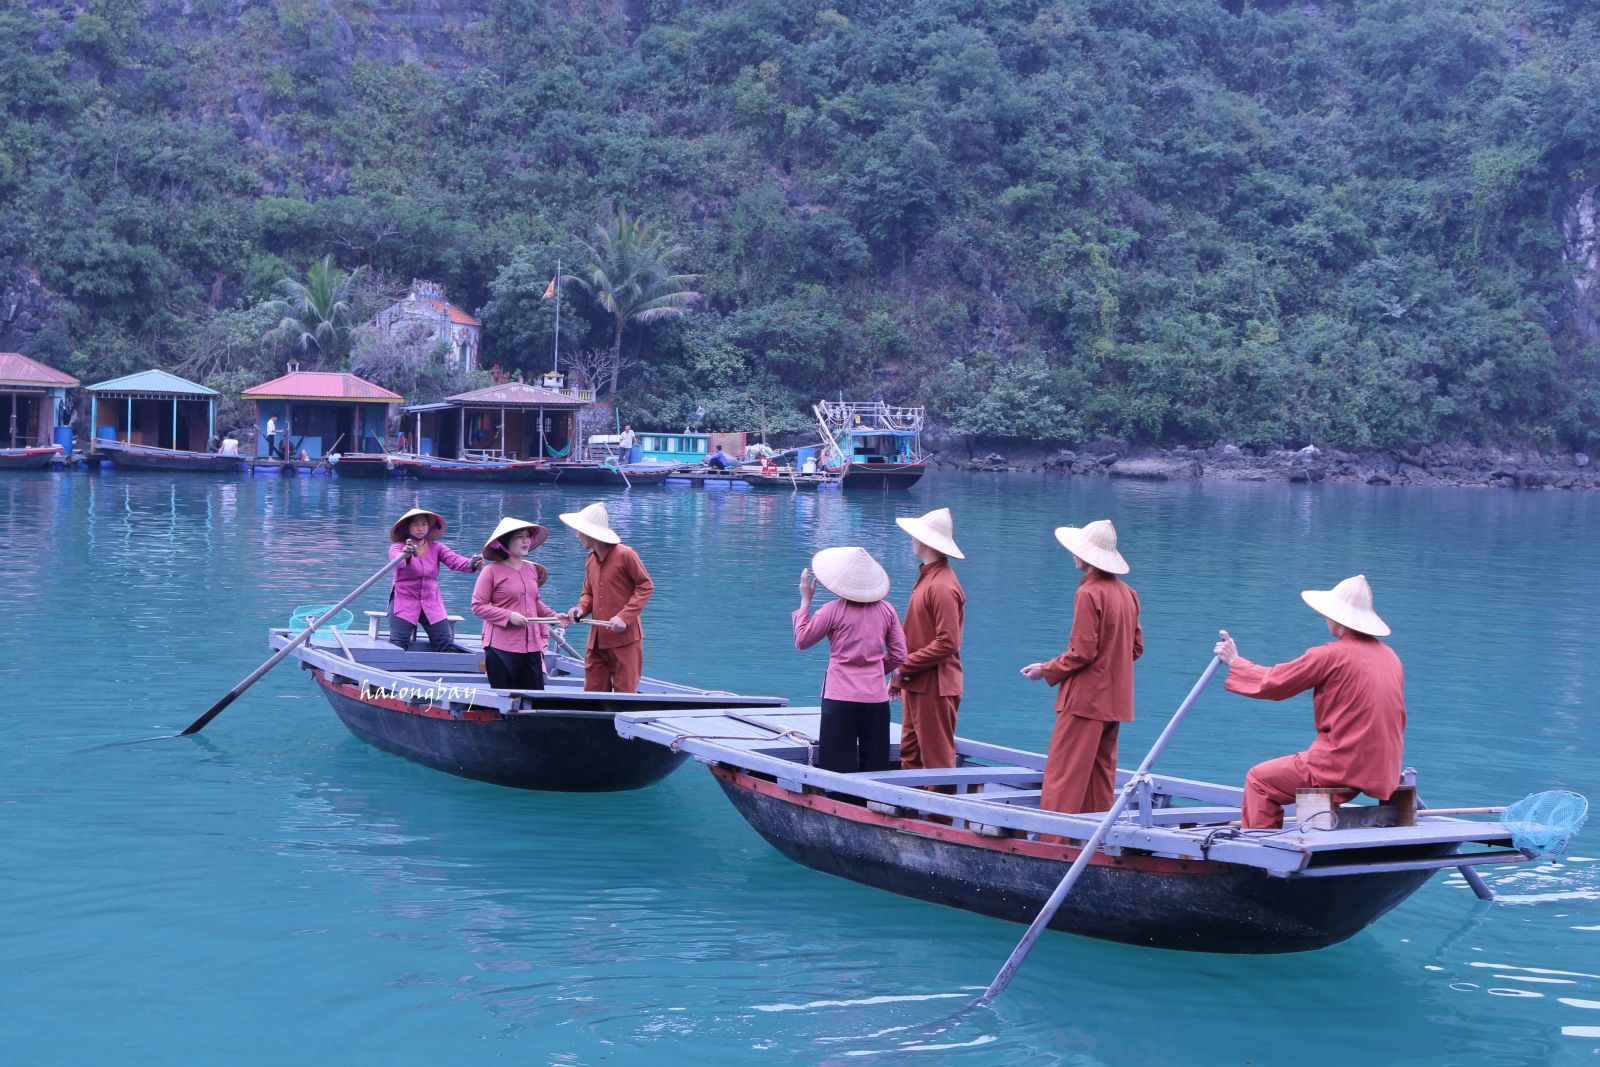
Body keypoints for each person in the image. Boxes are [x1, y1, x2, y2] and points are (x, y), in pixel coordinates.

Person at [1212, 575, 1406, 830]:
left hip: (1342, 765)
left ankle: (1260, 850)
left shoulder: (1329, 655)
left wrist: (1235, 661)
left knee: (1259, 780)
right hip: (1382, 769)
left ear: (1337, 617)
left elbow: (1275, 683)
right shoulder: (1391, 657)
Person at [1020, 519, 1143, 815]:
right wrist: (1110, 668)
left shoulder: (1089, 593)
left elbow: (1081, 653)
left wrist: (1045, 670)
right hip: (1114, 701)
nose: (1073, 555)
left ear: (1087, 557)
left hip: (1085, 701)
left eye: (1077, 551)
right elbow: (1135, 648)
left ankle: (1055, 841)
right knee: (1100, 776)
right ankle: (1094, 839)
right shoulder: (1128, 593)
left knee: (1065, 774)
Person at [794, 547, 908, 773]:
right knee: (875, 767)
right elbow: (899, 654)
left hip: (840, 698)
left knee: (837, 767)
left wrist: (805, 601)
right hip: (876, 699)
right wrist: (874, 670)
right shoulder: (887, 610)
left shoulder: (831, 611)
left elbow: (802, 640)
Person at [890, 508, 966, 778]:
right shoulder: (928, 578)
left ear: (925, 542)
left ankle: (939, 816)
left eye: (915, 536)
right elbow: (916, 633)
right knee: (910, 751)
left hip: (935, 684)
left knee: (936, 757)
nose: (911, 540)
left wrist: (904, 667)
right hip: (917, 682)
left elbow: (947, 642)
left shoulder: (942, 585)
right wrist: (900, 677)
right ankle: (910, 809)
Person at [557, 502, 654, 692]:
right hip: (597, 641)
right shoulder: (591, 559)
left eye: (579, 531)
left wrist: (624, 617)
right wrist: (581, 609)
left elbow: (646, 586)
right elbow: (588, 594)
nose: (577, 535)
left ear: (590, 532)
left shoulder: (626, 554)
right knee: (593, 694)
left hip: (625, 640)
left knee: (625, 696)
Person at [472, 518, 558, 691]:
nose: (526, 541)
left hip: (531, 646)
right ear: (505, 542)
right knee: (506, 699)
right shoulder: (491, 571)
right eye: (520, 537)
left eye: (527, 536)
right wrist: (509, 616)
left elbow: (535, 602)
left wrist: (554, 617)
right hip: (501, 647)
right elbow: (478, 606)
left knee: (534, 698)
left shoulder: (531, 569)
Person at [387, 508, 483, 653]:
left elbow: (455, 561)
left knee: (445, 643)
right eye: (415, 525)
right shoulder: (398, 547)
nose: (420, 528)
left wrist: (472, 563)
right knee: (398, 644)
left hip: (431, 602)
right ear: (407, 528)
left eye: (424, 524)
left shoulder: (437, 547)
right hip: (403, 600)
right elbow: (396, 561)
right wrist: (405, 555)